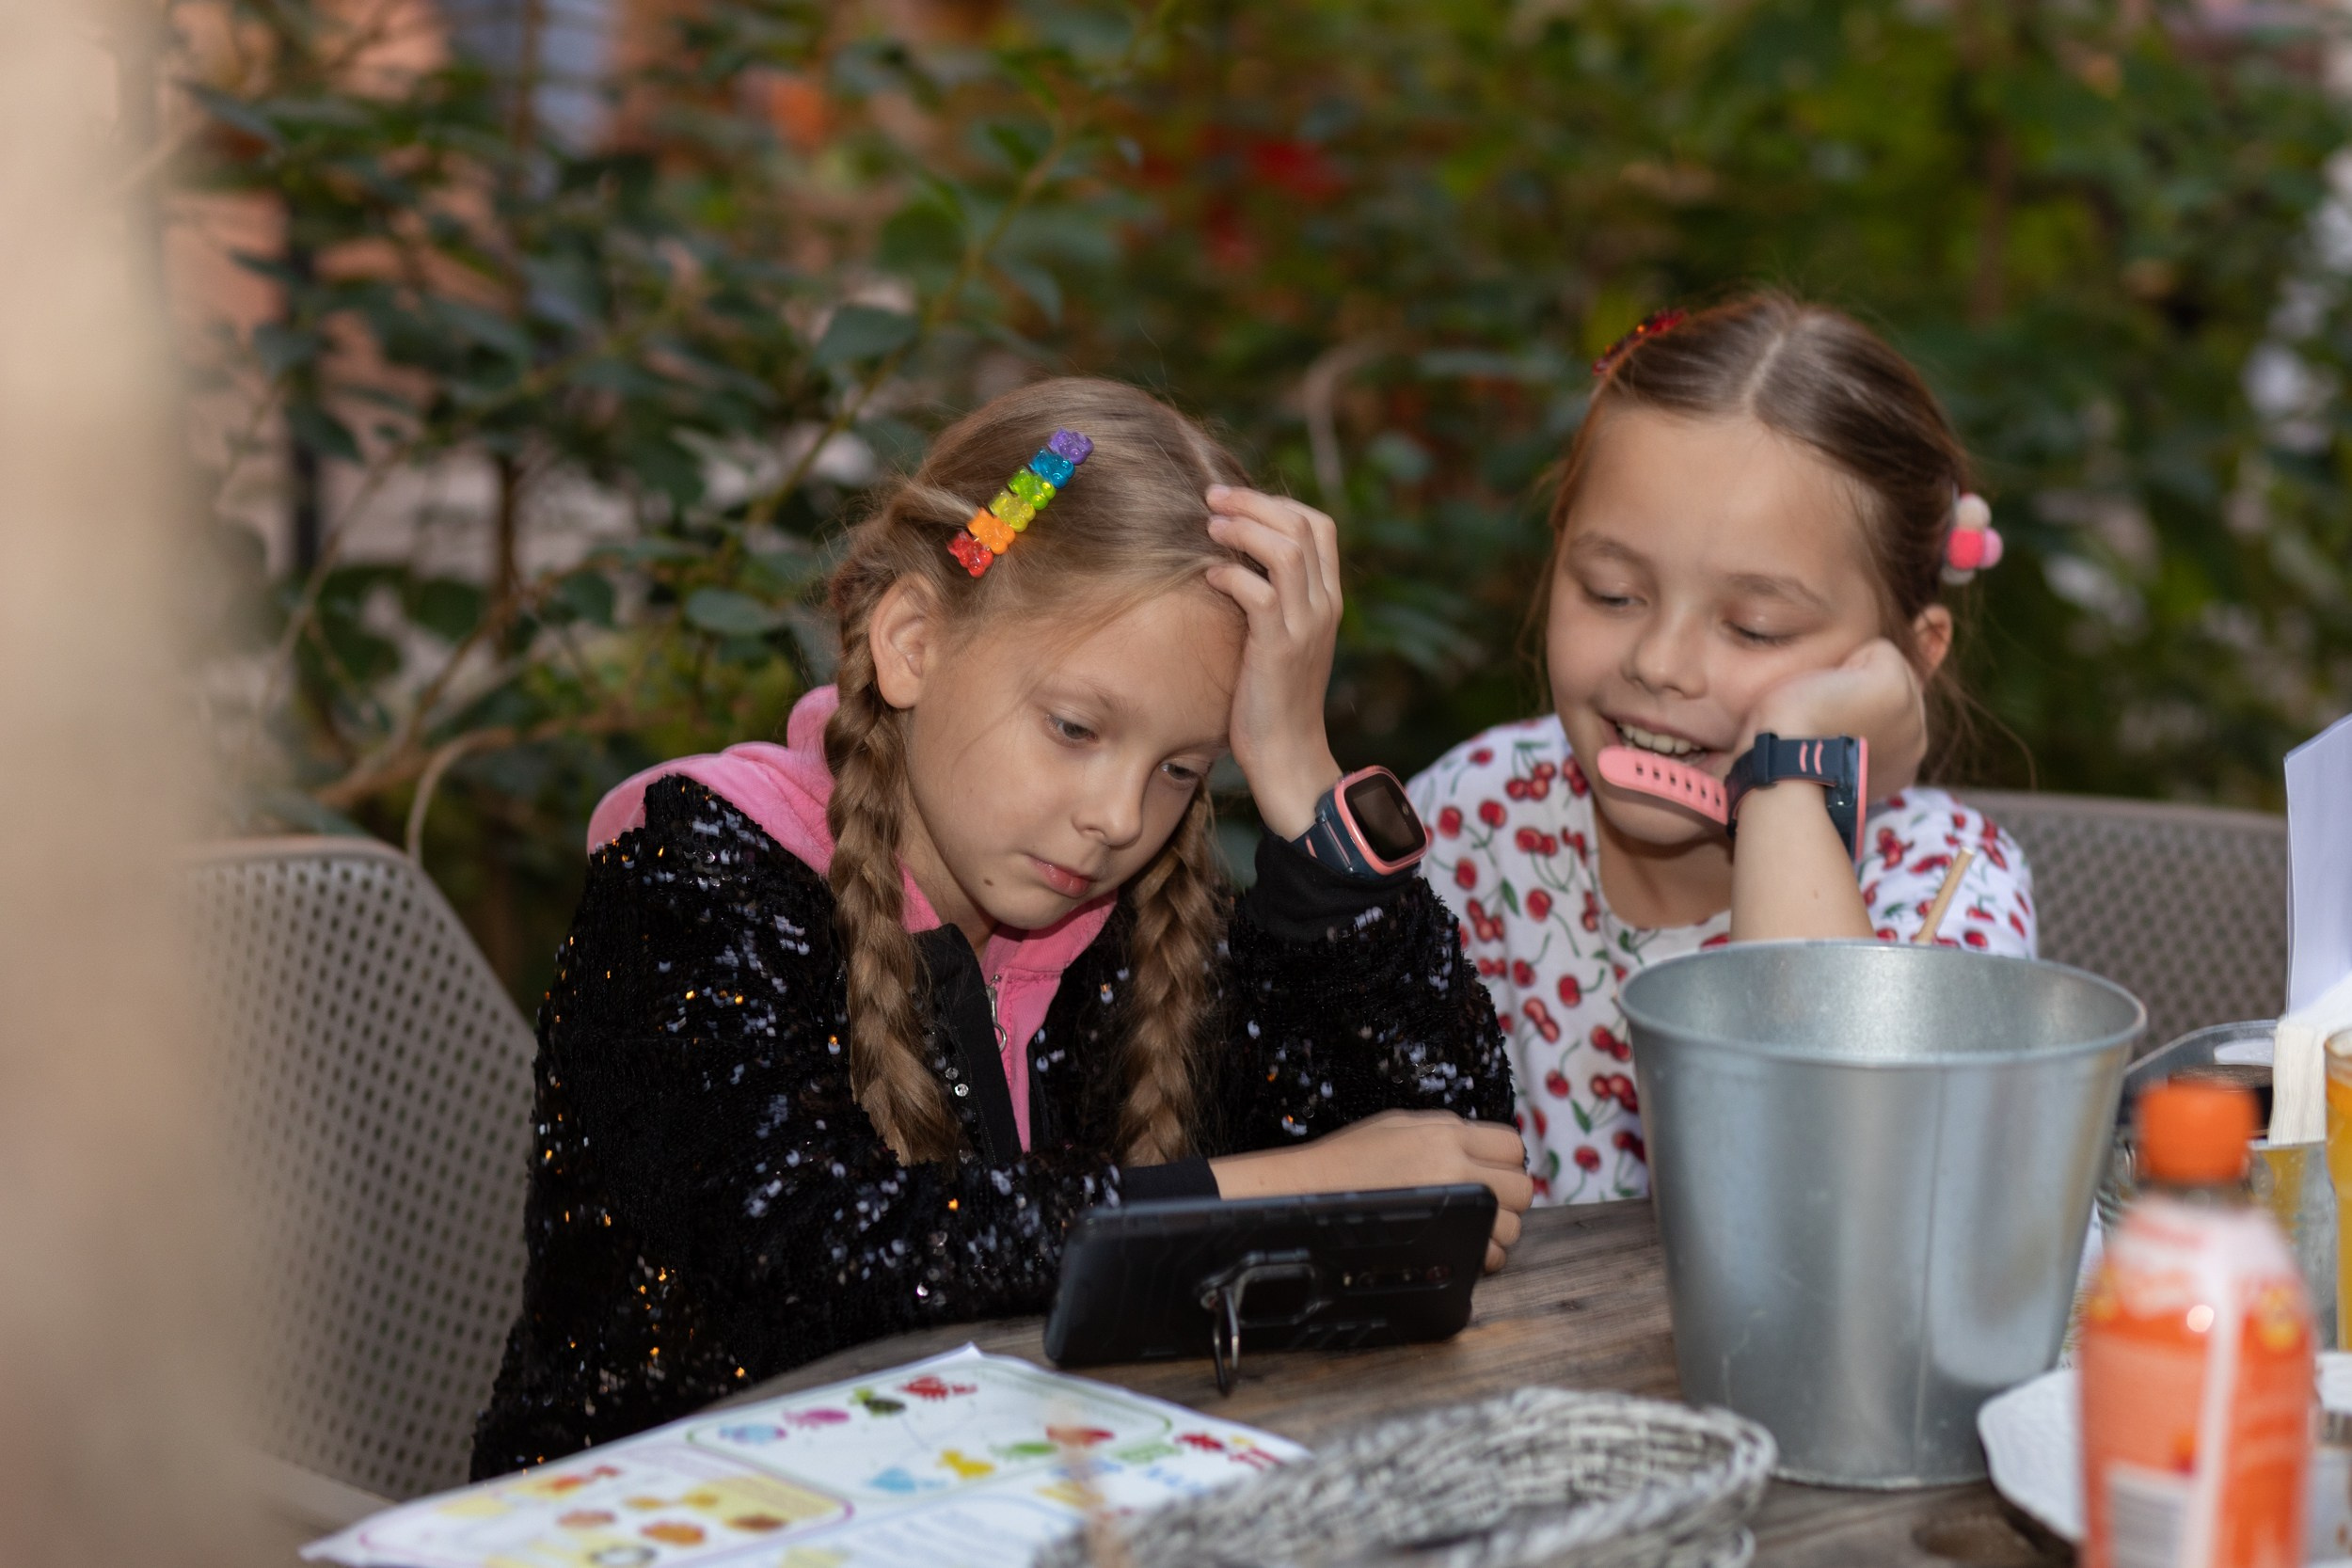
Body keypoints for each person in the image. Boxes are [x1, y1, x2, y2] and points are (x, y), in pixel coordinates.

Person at [472, 377, 1529, 1475]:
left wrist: (1304, 773)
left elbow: (1454, 1168)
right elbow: (807, 1258)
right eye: (1075, 726)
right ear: (913, 640)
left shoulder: (1137, 928)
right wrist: (1284, 1187)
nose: (1119, 816)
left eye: (1180, 768)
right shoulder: (693, 882)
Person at [1410, 294, 2036, 1207]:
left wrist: (1789, 770)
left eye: (1754, 626)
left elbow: (1826, 1204)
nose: (1658, 664)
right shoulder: (1474, 811)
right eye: (1612, 592)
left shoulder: (1946, 888)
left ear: (1906, 661)